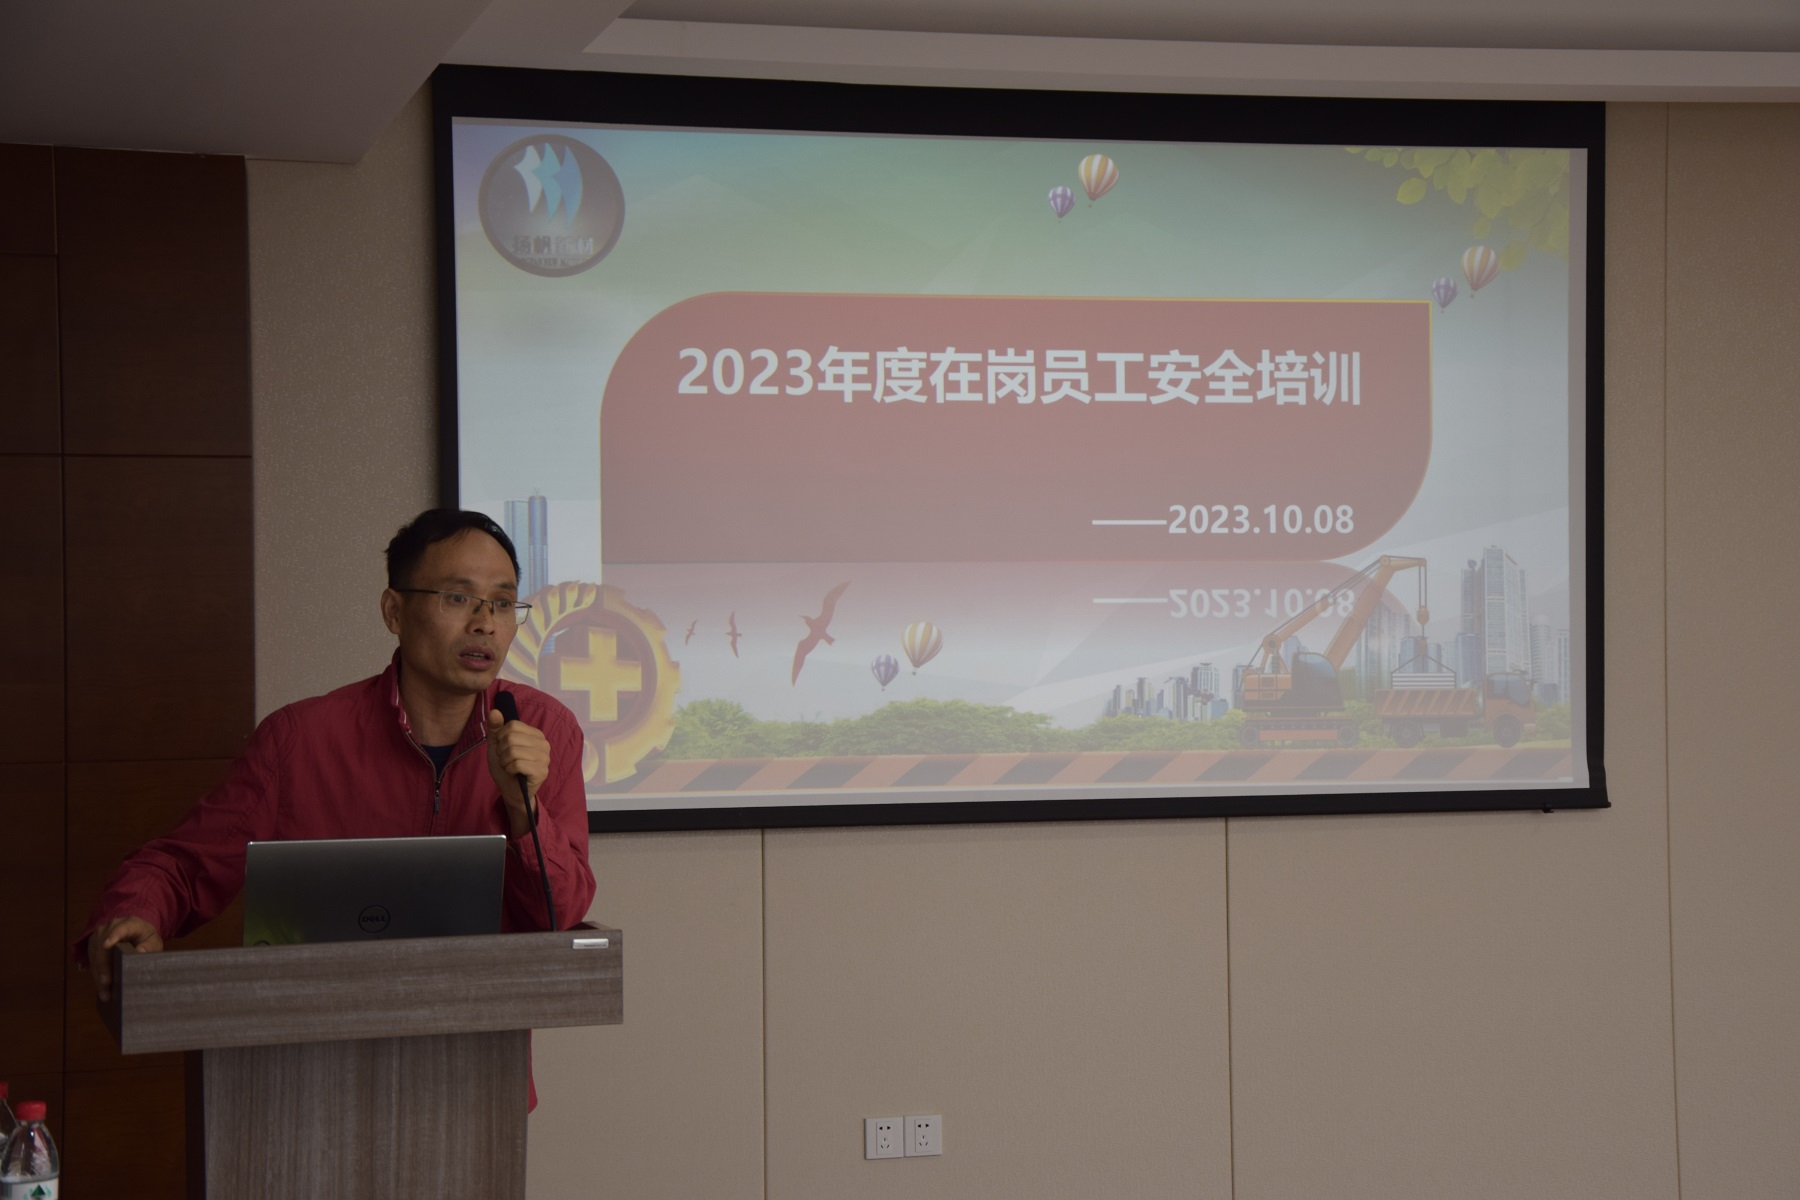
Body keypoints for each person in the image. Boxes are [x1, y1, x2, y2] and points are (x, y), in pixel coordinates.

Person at [78, 508, 597, 1003]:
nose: (485, 623)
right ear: (394, 611)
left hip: (477, 1043)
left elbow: (562, 913)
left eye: (502, 603)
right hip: (313, 1040)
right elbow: (183, 864)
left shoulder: (545, 730)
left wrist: (522, 808)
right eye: (458, 598)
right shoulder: (299, 739)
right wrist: (136, 914)